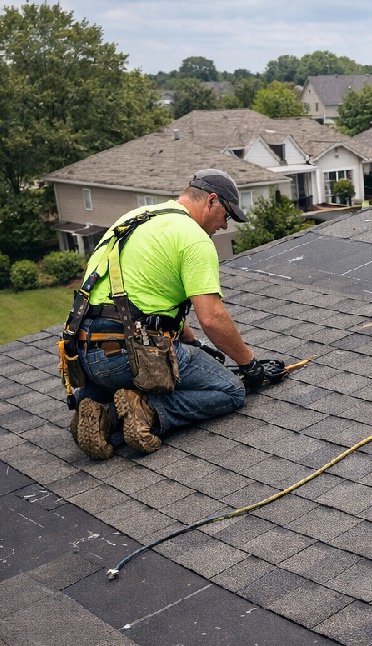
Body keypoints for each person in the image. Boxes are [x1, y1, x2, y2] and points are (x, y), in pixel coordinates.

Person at [68, 169, 282, 460]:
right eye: (226, 215)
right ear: (211, 201)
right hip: (129, 356)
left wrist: (193, 343)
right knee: (230, 391)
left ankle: (98, 408)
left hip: (85, 352)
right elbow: (212, 318)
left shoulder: (135, 218)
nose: (223, 225)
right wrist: (250, 365)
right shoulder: (194, 238)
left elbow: (147, 302)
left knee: (134, 362)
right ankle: (144, 411)